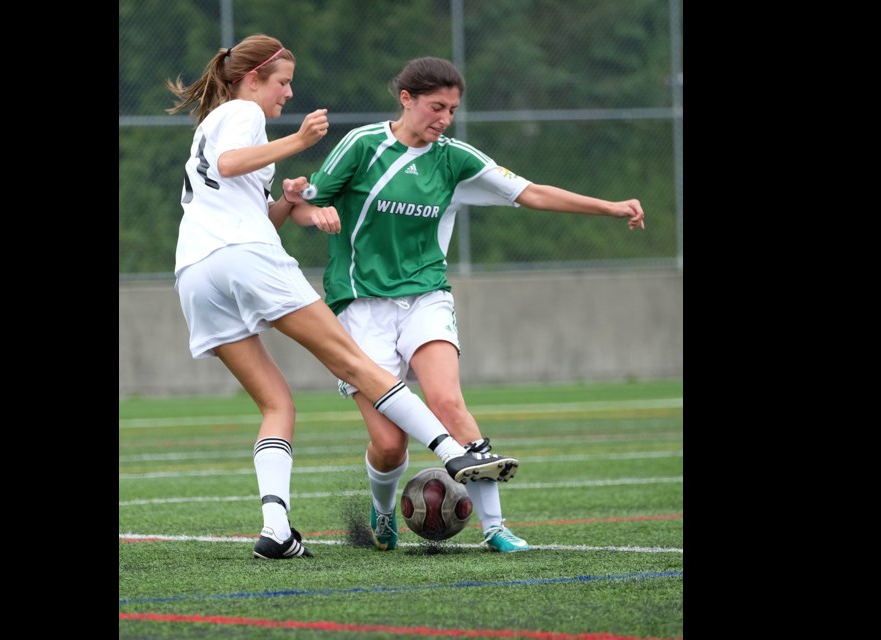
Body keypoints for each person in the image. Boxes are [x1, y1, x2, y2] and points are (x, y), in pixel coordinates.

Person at [165, 39, 519, 561]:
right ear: (253, 78)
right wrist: (299, 140)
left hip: (195, 270)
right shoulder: (241, 111)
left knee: (275, 403)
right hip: (244, 256)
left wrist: (286, 202)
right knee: (354, 362)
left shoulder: (211, 121)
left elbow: (248, 203)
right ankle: (455, 452)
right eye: (283, 81)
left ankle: (277, 531)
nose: (289, 92)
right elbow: (233, 161)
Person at [291, 56, 645, 553]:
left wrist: (609, 207)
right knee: (390, 444)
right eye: (437, 107)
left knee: (448, 402)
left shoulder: (455, 158)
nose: (445, 119)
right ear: (406, 99)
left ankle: (496, 527)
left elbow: (533, 193)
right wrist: (317, 213)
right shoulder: (363, 145)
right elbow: (302, 203)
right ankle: (383, 510)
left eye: (453, 110)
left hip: (425, 298)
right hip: (357, 307)